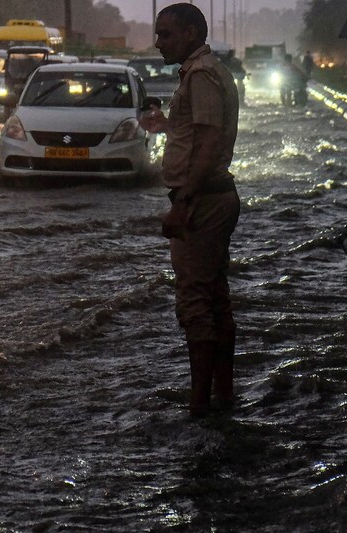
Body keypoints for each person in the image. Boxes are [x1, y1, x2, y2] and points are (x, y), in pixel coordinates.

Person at [140, 3, 241, 418]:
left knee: (195, 302)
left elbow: (209, 144)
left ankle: (200, 407)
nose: (158, 42)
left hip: (202, 200)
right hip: (212, 197)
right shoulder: (202, 73)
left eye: (166, 34)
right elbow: (198, 133)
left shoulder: (200, 75)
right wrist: (167, 125)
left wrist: (182, 204)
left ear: (193, 33)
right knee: (215, 298)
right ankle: (222, 396)